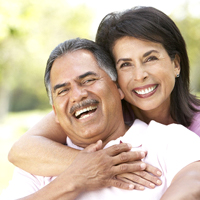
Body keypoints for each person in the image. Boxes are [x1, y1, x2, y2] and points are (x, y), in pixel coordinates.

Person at [8, 5, 200, 189]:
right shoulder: (101, 109)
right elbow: (22, 150)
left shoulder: (187, 133)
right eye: (125, 64)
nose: (140, 75)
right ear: (113, 78)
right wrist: (99, 166)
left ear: (176, 64)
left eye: (150, 58)